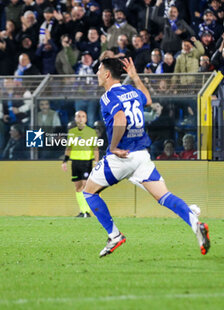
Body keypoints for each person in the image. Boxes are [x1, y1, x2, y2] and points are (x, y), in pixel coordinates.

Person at [82, 57, 210, 257]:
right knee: (164, 196)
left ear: (107, 74)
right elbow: (148, 100)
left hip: (122, 157)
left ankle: (114, 235)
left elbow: (120, 118)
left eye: (99, 70)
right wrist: (135, 76)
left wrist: (114, 147)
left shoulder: (107, 97)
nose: (97, 73)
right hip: (141, 155)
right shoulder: (132, 91)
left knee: (88, 192)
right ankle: (196, 224)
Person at [61, 110, 99, 218]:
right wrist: (65, 160)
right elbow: (69, 147)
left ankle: (86, 211)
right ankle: (83, 211)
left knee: (85, 186)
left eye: (83, 116)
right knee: (78, 187)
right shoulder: (72, 132)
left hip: (86, 162)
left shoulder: (91, 132)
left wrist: (96, 161)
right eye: (78, 116)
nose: (81, 118)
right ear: (75, 119)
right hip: (75, 162)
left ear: (86, 119)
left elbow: (95, 148)